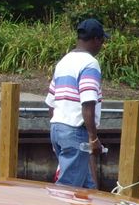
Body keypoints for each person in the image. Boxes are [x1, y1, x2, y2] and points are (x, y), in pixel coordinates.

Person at [44, 18, 107, 189]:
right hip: (76, 132)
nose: (102, 45)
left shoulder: (64, 62)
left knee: (87, 188)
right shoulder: (90, 63)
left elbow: (51, 102)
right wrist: (93, 138)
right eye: (102, 41)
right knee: (68, 188)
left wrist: (58, 127)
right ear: (95, 39)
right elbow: (88, 103)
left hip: (57, 128)